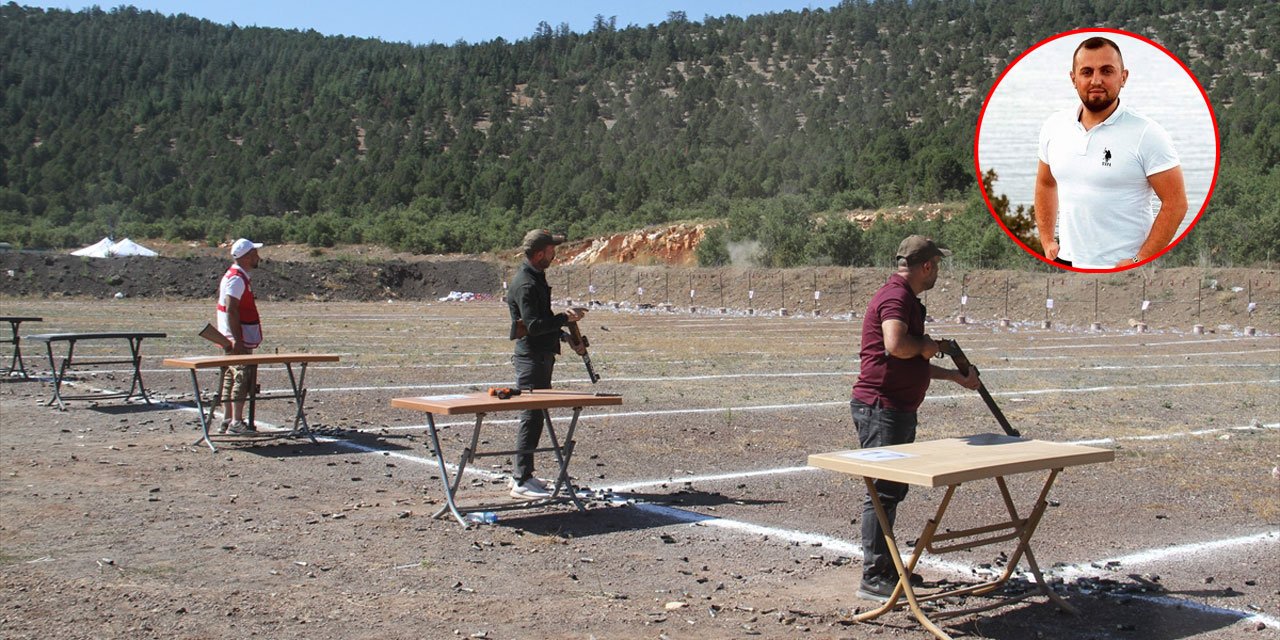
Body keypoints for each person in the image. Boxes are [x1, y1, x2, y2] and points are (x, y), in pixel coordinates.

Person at [851, 235, 980, 602]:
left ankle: (887, 569)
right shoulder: (896, 298)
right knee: (882, 491)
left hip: (892, 408)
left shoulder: (905, 298)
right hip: (882, 408)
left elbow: (909, 361)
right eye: (936, 265)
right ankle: (874, 576)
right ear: (926, 266)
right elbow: (896, 345)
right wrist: (928, 346)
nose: (938, 271)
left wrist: (953, 375)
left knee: (890, 491)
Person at [1034, 36, 1188, 269]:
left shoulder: (1147, 133)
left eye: (1107, 71)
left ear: (1123, 77)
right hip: (1068, 261)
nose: (1096, 80)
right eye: (1087, 72)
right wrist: (1047, 240)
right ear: (1073, 79)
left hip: (1123, 267)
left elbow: (1176, 203)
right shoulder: (1054, 127)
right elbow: (1046, 184)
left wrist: (1141, 259)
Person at [505, 229, 587, 499]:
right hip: (532, 357)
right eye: (551, 250)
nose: (555, 254)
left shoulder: (534, 278)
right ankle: (520, 479)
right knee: (531, 415)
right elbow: (534, 325)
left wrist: (565, 337)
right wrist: (564, 318)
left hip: (539, 355)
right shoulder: (527, 284)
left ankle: (525, 473)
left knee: (537, 415)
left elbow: (542, 322)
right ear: (540, 253)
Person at [216, 238, 264, 435]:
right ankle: (236, 421)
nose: (258, 257)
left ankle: (228, 419)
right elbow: (232, 309)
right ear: (246, 257)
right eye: (254, 253)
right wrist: (238, 340)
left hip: (232, 335)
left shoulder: (236, 276)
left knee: (231, 376)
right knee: (241, 376)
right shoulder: (236, 279)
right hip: (236, 336)